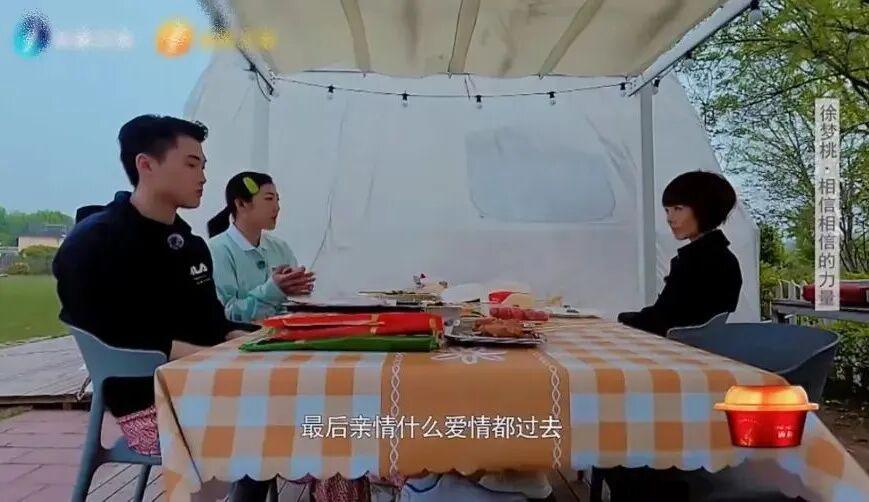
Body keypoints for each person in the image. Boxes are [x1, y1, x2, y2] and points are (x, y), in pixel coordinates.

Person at [53, 115, 270, 501]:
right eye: (191, 164)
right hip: (148, 404)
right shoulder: (94, 243)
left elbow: (213, 323)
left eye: (203, 165)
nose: (203, 177)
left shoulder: (190, 245)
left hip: (210, 383)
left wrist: (259, 338)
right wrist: (217, 356)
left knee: (316, 415)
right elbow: (118, 334)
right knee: (281, 428)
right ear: (146, 164)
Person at [617, 171, 742, 336]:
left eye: (678, 209)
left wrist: (627, 319)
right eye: (667, 211)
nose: (670, 218)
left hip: (683, 344)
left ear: (704, 210)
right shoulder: (719, 257)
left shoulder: (702, 262)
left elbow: (672, 317)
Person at [207, 172, 315, 323]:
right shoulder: (216, 251)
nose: (277, 207)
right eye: (269, 199)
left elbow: (292, 305)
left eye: (277, 200)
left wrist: (300, 293)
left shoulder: (280, 248)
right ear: (241, 204)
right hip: (242, 337)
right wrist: (272, 291)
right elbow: (224, 313)